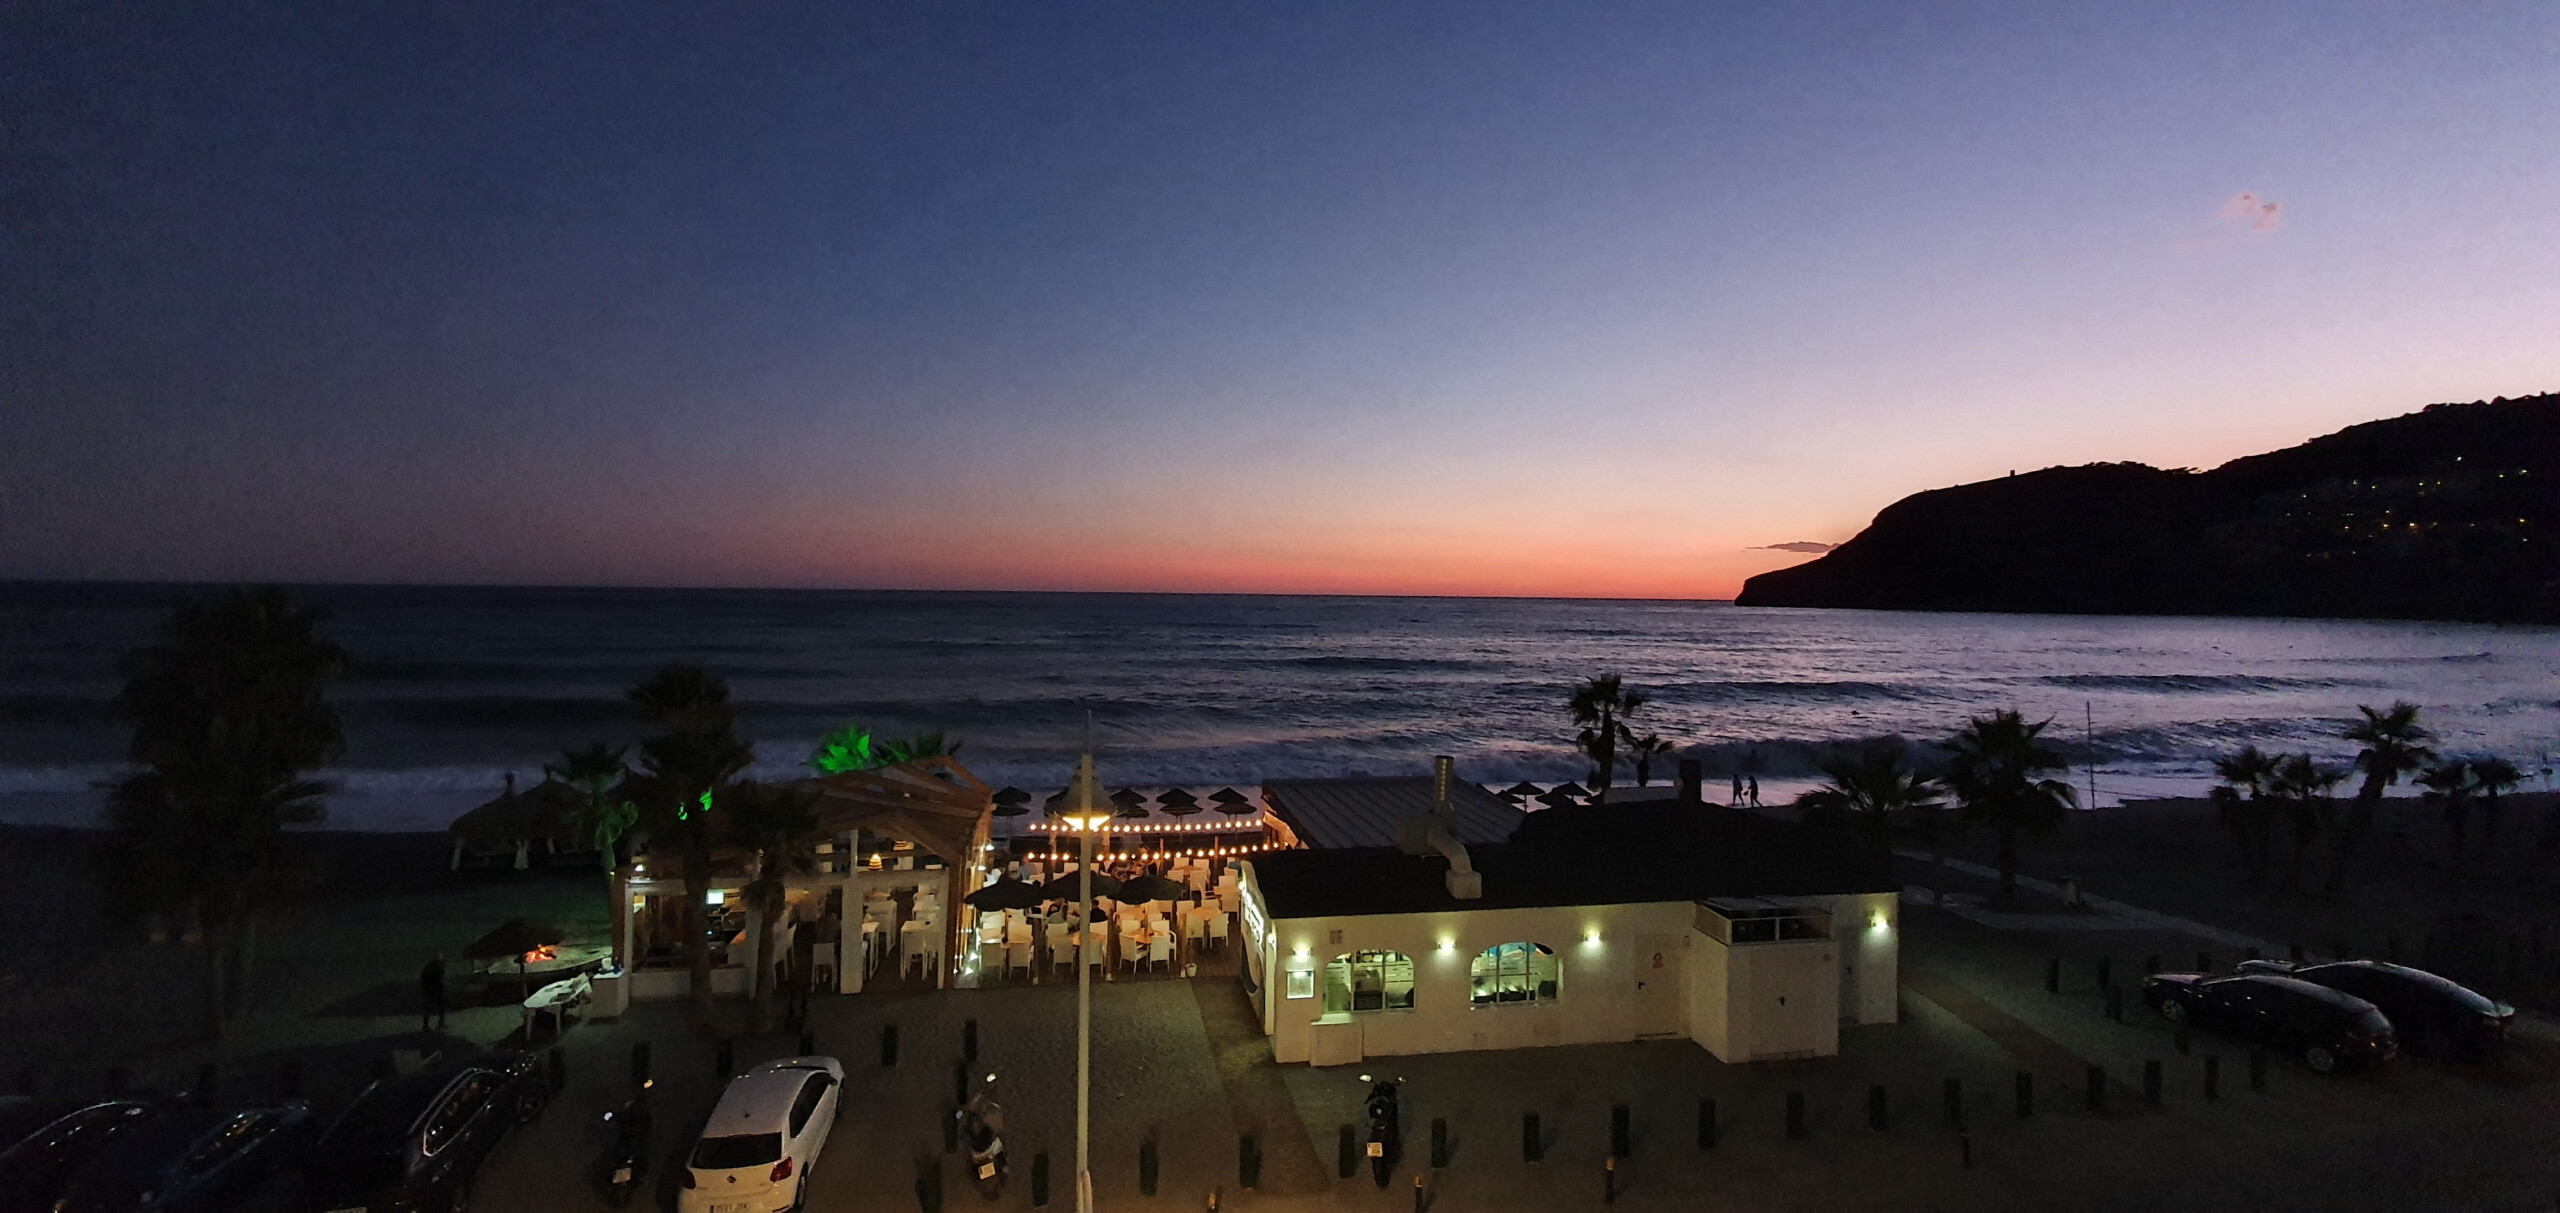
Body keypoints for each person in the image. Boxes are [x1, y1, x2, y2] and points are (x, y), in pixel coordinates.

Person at [420, 951, 447, 1033]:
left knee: (429, 1007)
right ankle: (436, 1024)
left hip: (430, 989)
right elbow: (439, 979)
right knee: (438, 1006)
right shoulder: (437, 968)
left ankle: (428, 1025)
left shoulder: (429, 967)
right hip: (434, 989)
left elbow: (423, 978)